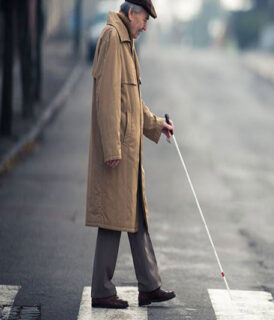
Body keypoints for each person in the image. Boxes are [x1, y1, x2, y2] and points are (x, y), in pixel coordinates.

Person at [85, 0, 175, 309]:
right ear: (131, 12)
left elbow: (132, 101)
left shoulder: (127, 42)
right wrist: (111, 147)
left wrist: (157, 125)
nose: (145, 26)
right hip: (119, 150)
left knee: (135, 215)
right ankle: (101, 290)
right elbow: (108, 99)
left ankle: (149, 286)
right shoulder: (113, 37)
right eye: (144, 20)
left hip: (129, 151)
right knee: (113, 217)